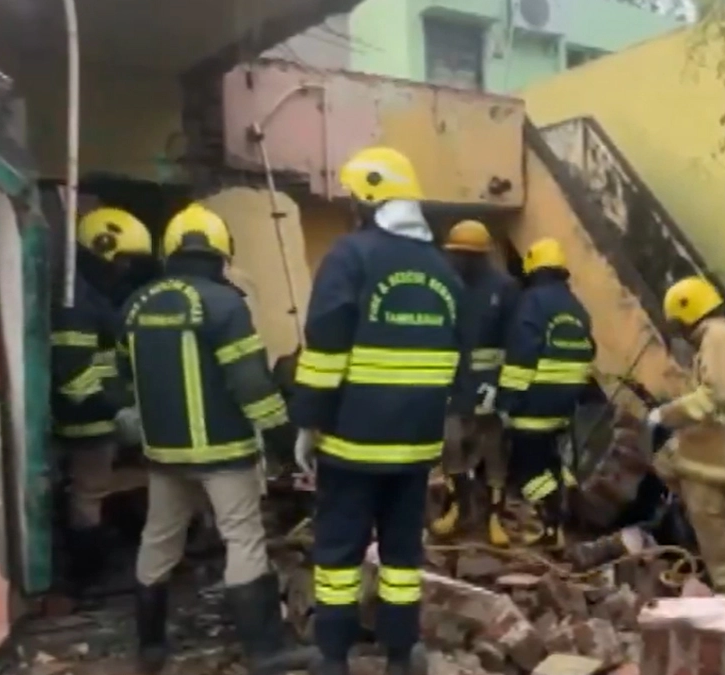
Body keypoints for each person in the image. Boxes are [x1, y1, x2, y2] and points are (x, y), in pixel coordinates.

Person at [292, 146, 463, 675]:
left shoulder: (350, 257)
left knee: (339, 554)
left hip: (352, 443)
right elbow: (457, 360)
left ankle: (333, 656)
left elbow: (325, 348)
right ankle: (400, 654)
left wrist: (308, 420)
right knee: (402, 556)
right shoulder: (444, 271)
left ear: (368, 199)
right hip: (415, 447)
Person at [120, 204, 312, 675]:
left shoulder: (137, 304)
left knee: (159, 539)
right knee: (243, 538)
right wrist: (284, 442)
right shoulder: (224, 304)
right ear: (223, 252)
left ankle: (150, 647)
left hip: (163, 452)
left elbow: (125, 374)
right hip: (223, 451)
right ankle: (265, 652)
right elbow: (251, 384)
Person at [51, 207, 152, 591]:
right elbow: (75, 376)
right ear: (101, 249)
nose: (125, 268)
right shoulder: (77, 303)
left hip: (100, 412)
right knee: (88, 494)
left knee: (96, 492)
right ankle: (88, 576)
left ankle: (94, 567)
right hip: (87, 418)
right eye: (123, 259)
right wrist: (119, 409)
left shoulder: (91, 294)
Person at [646, 276, 725, 594]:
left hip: (714, 459)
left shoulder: (716, 338)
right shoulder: (721, 336)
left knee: (714, 531)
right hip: (712, 452)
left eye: (677, 324)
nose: (679, 332)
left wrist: (667, 414)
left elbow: (717, 394)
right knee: (664, 462)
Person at [495, 237, 596, 549]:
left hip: (533, 405)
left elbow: (522, 356)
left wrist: (506, 402)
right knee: (551, 462)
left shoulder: (532, 303)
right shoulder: (577, 306)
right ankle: (564, 514)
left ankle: (553, 519)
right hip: (564, 405)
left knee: (526, 470)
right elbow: (589, 350)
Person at [429, 220, 520, 546]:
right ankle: (458, 507)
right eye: (456, 254)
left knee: (494, 451)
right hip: (454, 384)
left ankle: (494, 516)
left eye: (466, 255)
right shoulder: (446, 286)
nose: (459, 260)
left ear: (481, 257)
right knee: (450, 443)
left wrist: (500, 387)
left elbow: (515, 341)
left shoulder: (505, 288)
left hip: (489, 387)